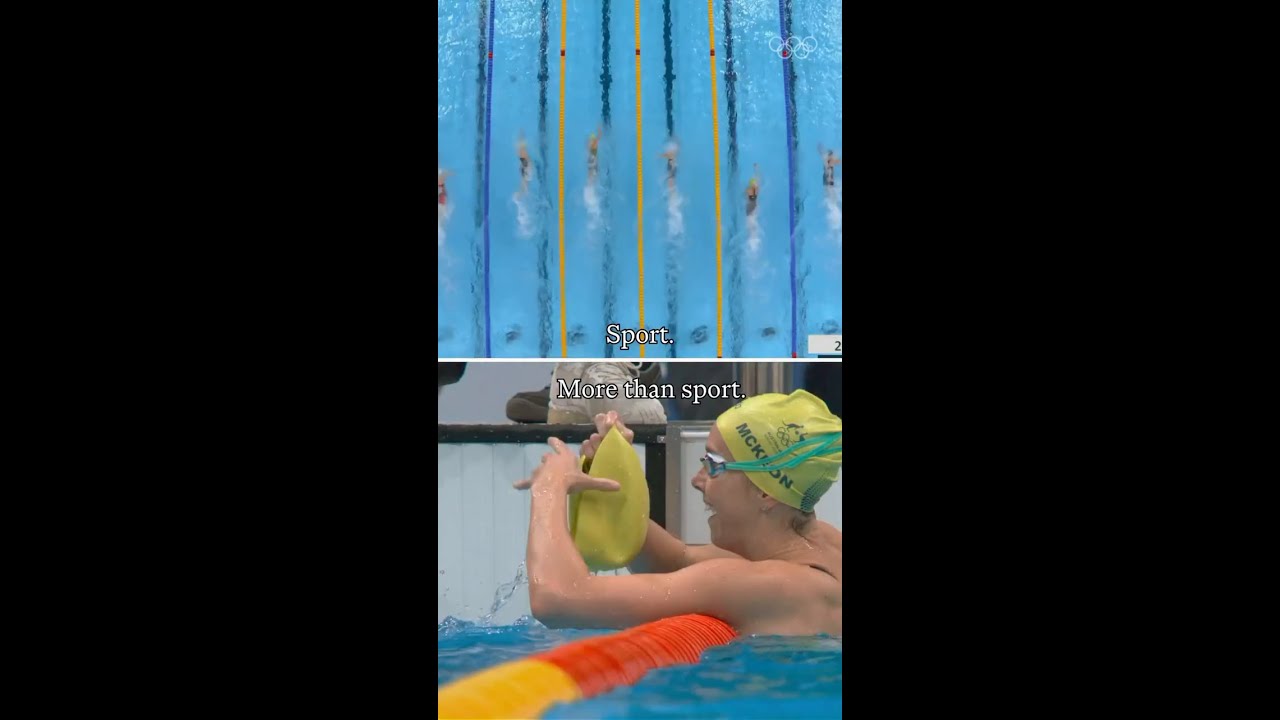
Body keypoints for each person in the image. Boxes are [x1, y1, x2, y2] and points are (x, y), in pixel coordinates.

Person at [514, 390, 842, 636]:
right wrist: (613, 474)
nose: (697, 480)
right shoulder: (820, 547)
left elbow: (558, 599)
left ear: (766, 492)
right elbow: (675, 561)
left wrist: (549, 488)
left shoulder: (769, 586)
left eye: (713, 464)